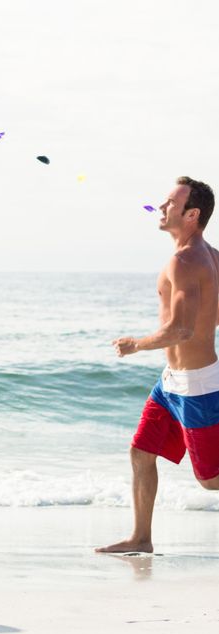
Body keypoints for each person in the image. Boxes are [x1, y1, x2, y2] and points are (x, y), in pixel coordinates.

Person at [97, 176, 218, 554]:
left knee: (211, 481)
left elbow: (180, 329)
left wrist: (136, 345)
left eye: (170, 202)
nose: (162, 207)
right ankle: (141, 538)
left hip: (197, 385)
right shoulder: (211, 256)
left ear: (191, 214)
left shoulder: (186, 260)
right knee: (140, 451)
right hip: (172, 382)